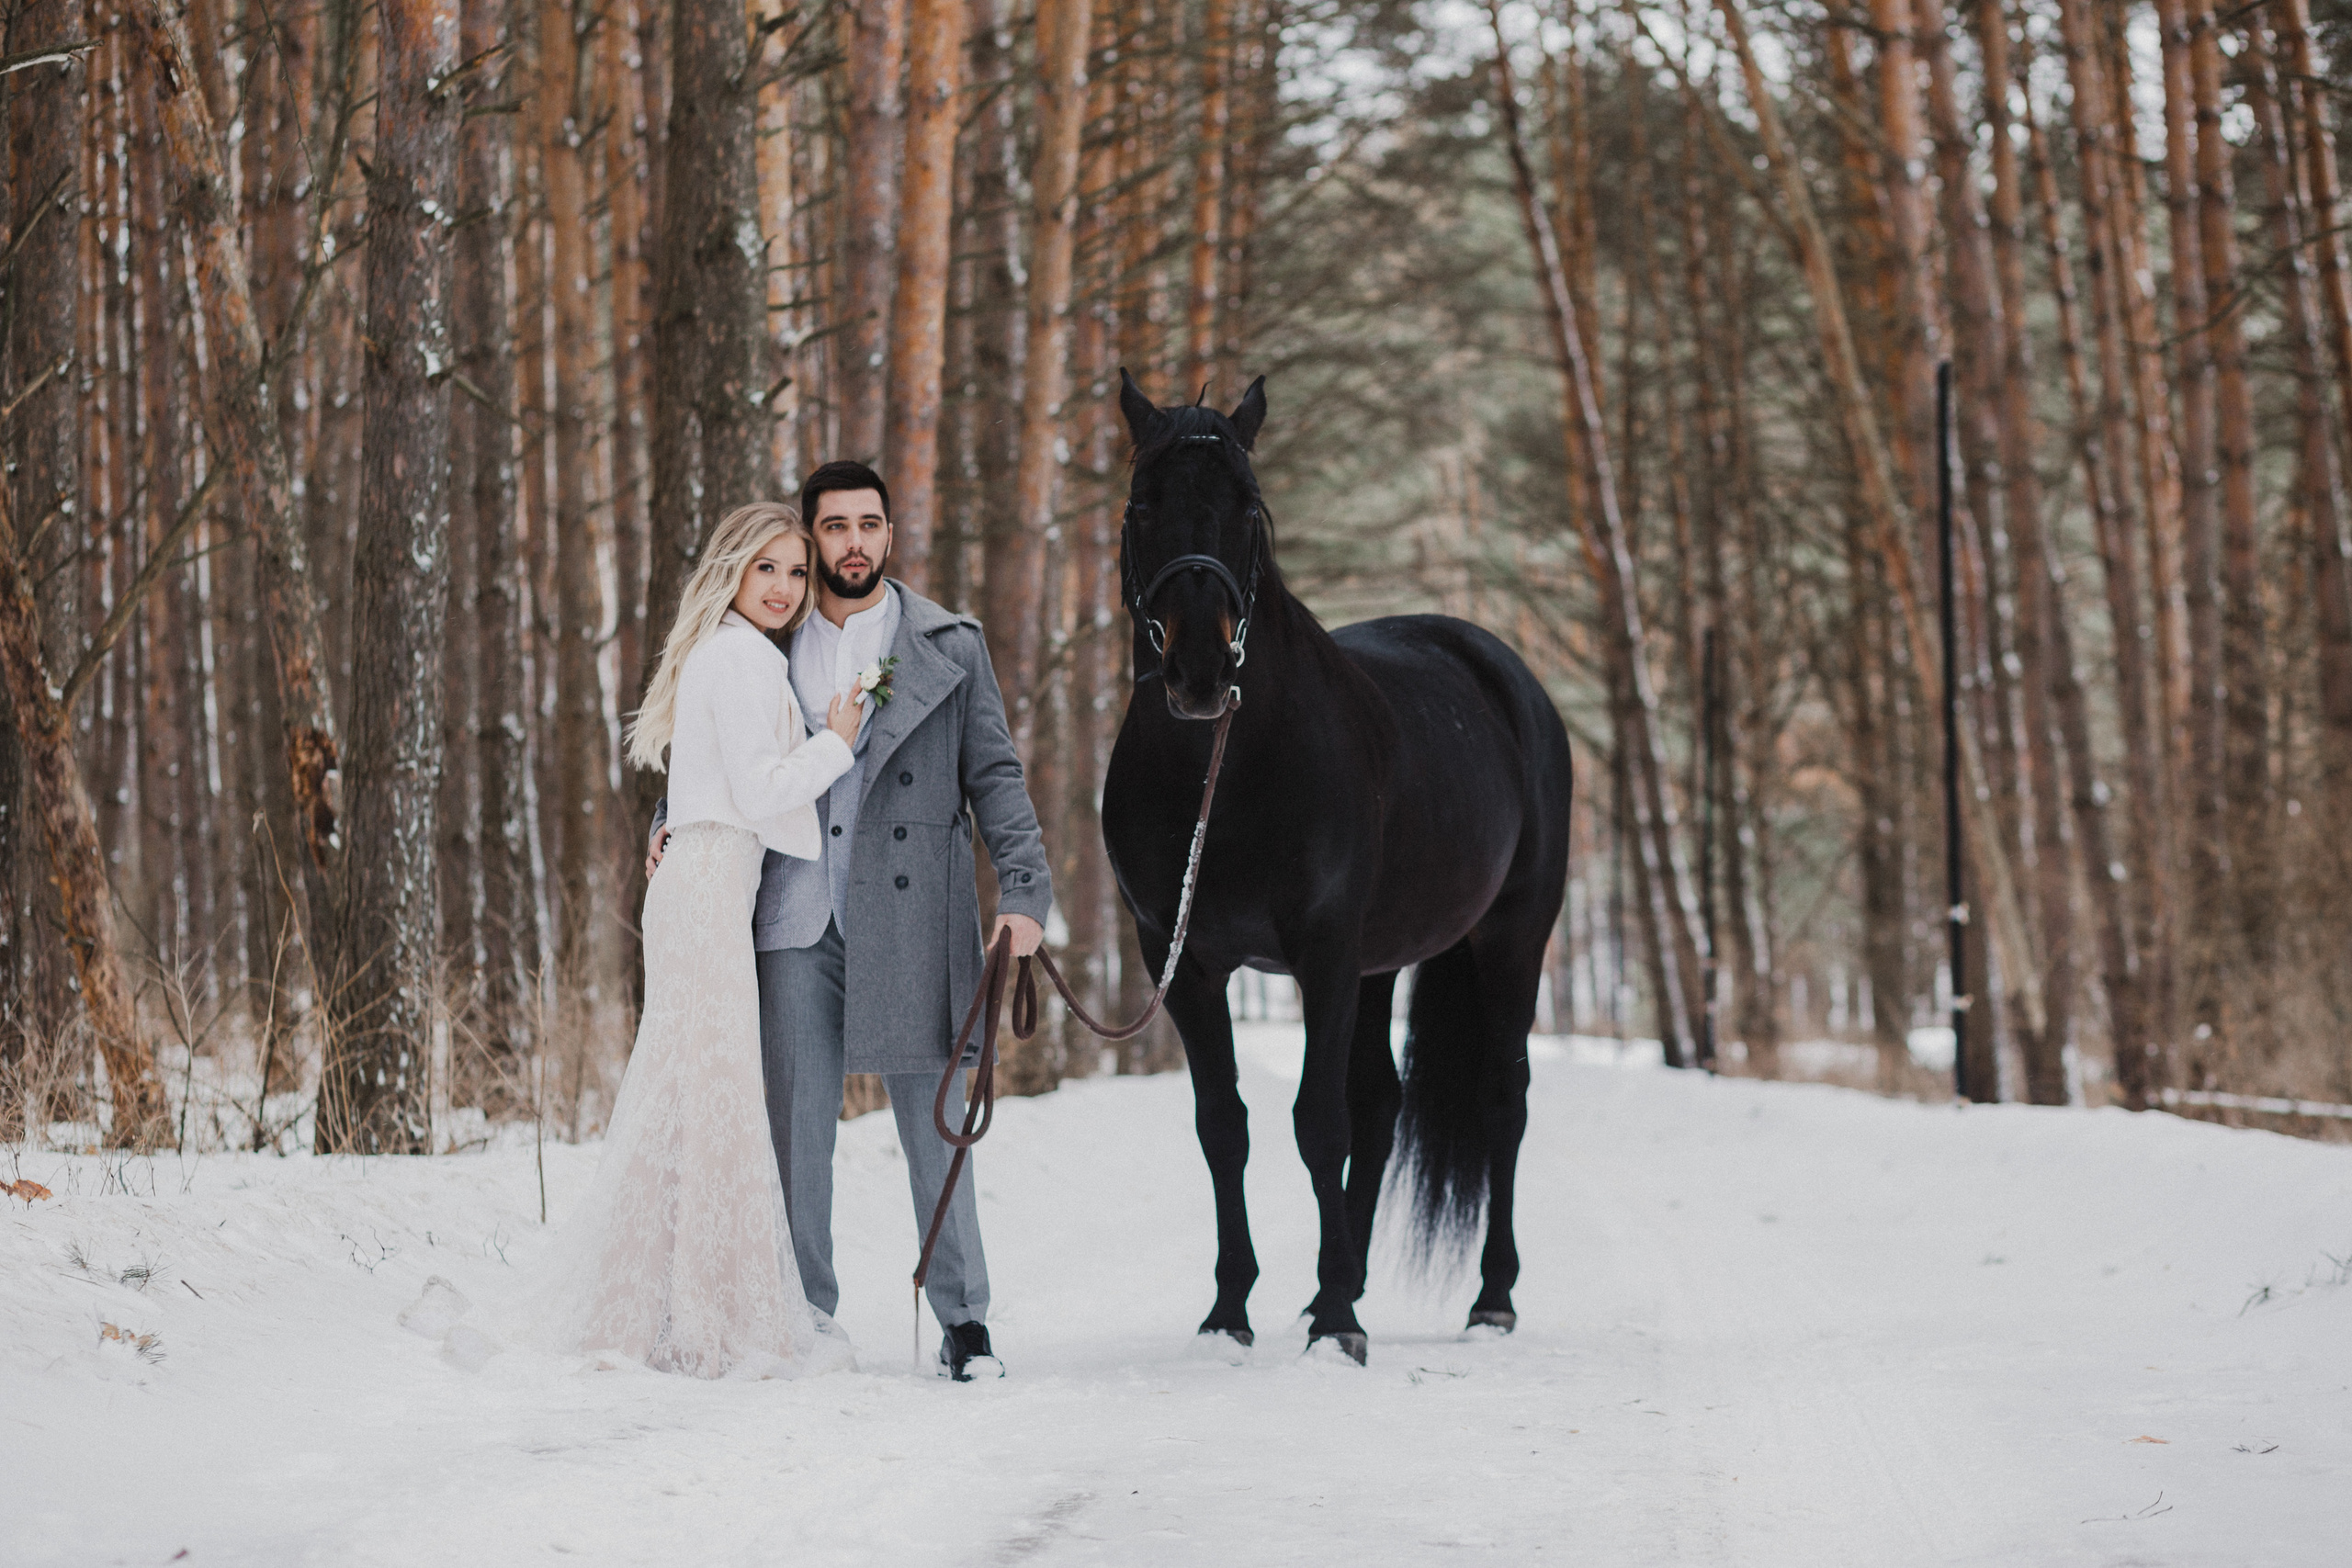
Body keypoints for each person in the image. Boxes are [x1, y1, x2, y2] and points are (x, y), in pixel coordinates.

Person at [649, 460, 1053, 1381]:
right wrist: (669, 820)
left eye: (869, 524)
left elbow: (995, 773)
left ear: (890, 535)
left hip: (915, 916)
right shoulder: (766, 637)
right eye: (834, 527)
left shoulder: (948, 644)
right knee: (796, 1134)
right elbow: (718, 749)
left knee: (936, 1124)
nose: (854, 543)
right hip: (794, 912)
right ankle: (801, 1317)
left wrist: (1025, 893)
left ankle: (965, 1321)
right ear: (811, 536)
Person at [532, 502, 863, 1379]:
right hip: (711, 885)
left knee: (693, 1088)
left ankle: (668, 1303)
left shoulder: (727, 652)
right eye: (768, 569)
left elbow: (717, 786)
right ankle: (698, 1315)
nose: (785, 588)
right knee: (711, 1090)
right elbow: (759, 791)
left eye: (797, 572)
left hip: (705, 879)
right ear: (732, 571)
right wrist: (836, 744)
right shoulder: (741, 658)